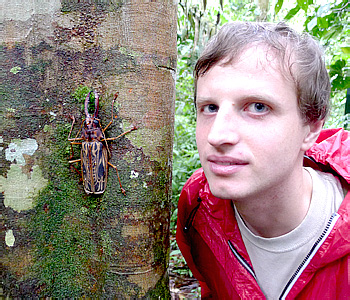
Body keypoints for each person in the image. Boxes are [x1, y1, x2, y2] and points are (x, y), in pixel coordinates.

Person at [176, 21, 349, 299]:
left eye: (257, 107)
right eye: (210, 107)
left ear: (312, 126)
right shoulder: (198, 205)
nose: (217, 136)